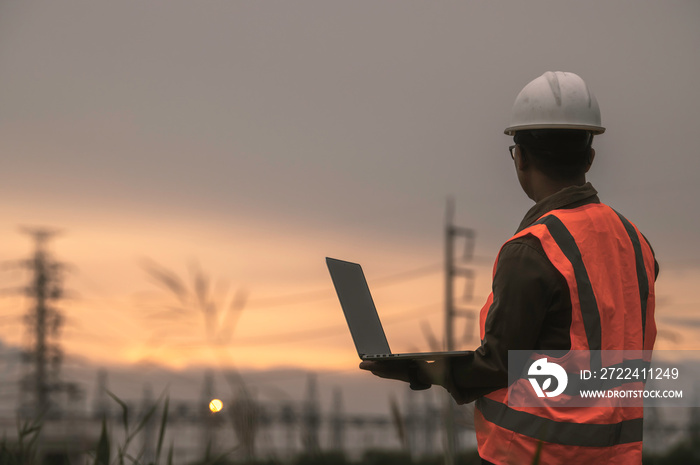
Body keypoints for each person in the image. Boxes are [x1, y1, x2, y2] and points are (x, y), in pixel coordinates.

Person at [360, 71, 658, 465]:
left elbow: (498, 365)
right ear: (589, 157)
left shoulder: (534, 249)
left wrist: (419, 371)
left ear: (521, 158)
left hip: (536, 455)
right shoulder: (636, 242)